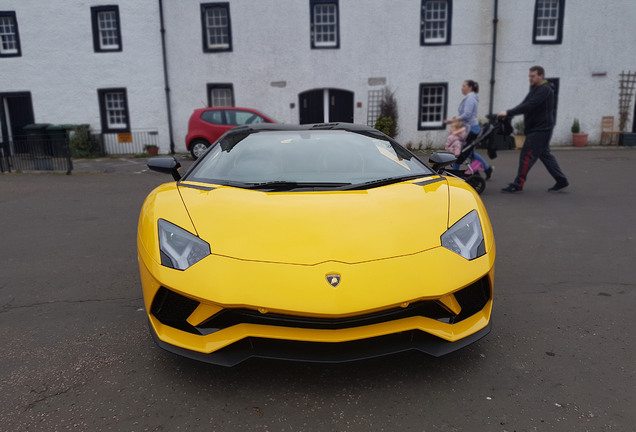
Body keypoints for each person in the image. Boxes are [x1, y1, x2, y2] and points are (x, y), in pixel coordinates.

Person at [497, 65, 569, 193]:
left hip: (540, 129)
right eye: (529, 76)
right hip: (539, 128)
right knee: (545, 155)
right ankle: (561, 180)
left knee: (527, 155)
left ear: (541, 76)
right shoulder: (536, 89)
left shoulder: (545, 90)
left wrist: (508, 112)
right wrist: (510, 113)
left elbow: (530, 105)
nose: (530, 78)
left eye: (533, 76)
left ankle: (518, 184)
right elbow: (524, 104)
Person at [445, 80, 493, 179]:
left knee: (462, 153)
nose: (462, 88)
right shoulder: (469, 98)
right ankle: (487, 169)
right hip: (468, 129)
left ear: (470, 87)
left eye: (464, 86)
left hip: (471, 130)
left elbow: (467, 114)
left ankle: (454, 173)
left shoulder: (470, 99)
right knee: (468, 153)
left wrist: (452, 121)